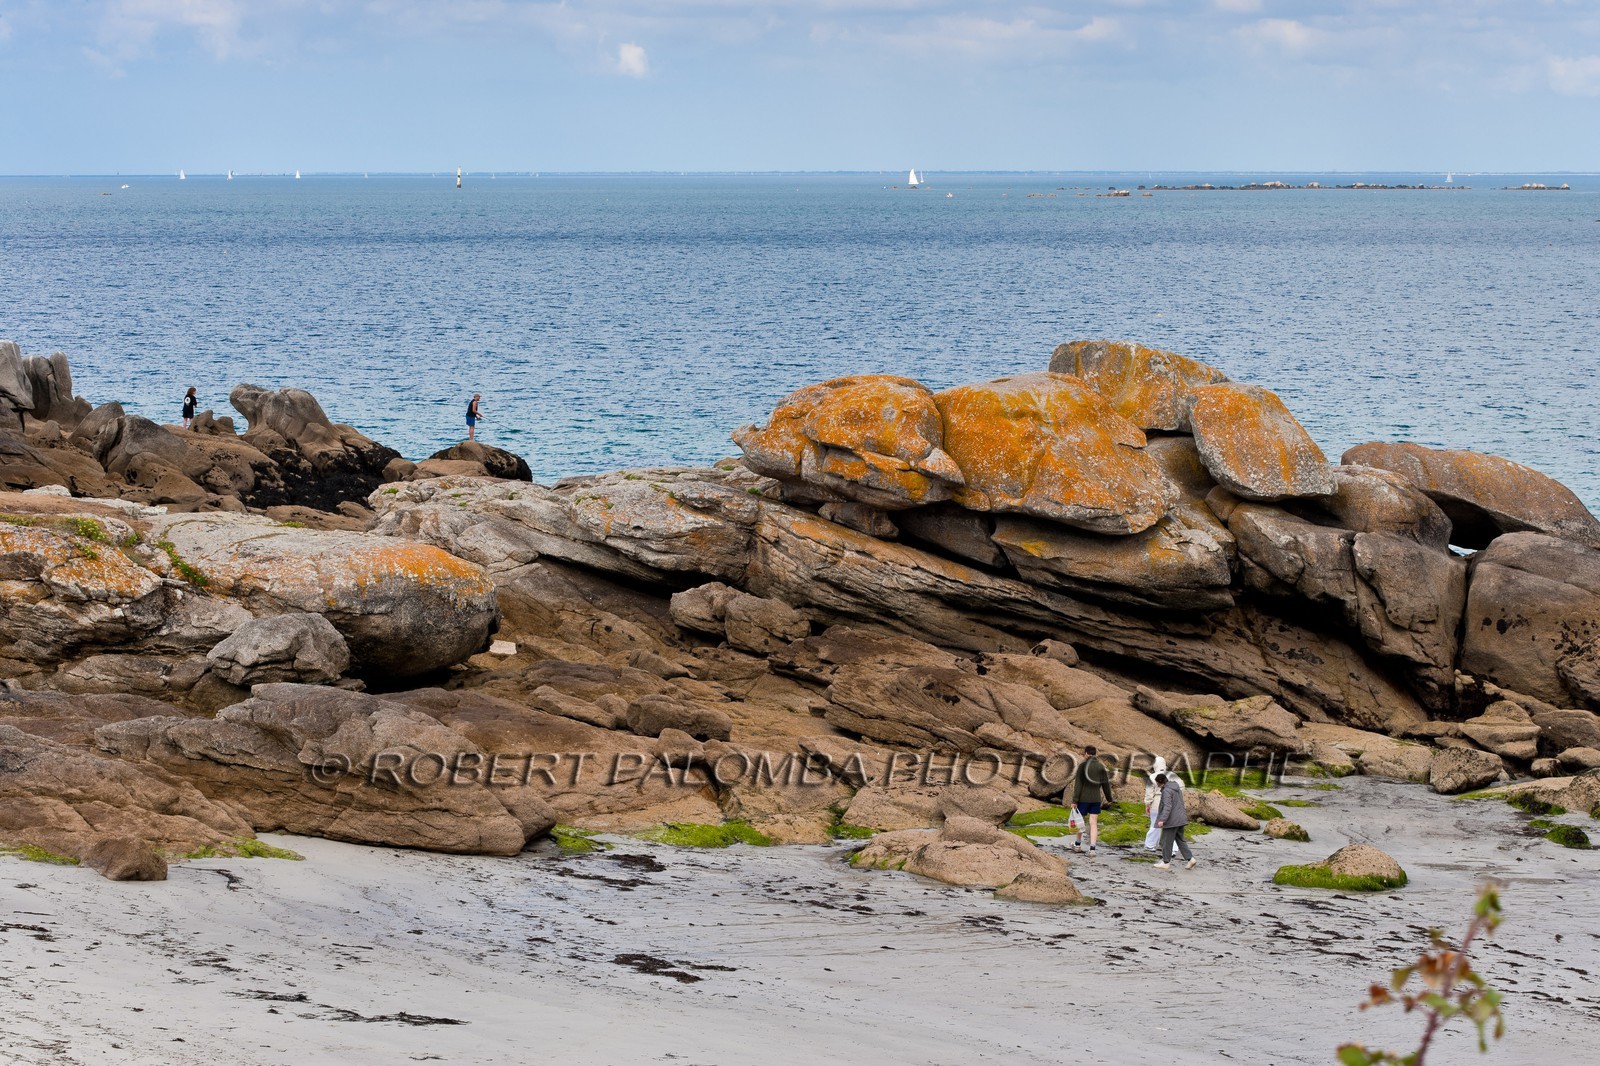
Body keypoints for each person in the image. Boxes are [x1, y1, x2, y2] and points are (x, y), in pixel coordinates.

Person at [1068, 745, 1116, 857]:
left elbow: (1078, 785)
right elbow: (1106, 784)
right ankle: (1092, 849)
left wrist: (1075, 800)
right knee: (1093, 823)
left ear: (1086, 754)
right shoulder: (1101, 767)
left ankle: (1078, 845)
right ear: (1095, 754)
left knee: (1080, 821)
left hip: (1083, 799)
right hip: (1096, 799)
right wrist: (1109, 798)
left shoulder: (1082, 766)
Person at [1152, 772, 1197, 871]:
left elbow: (1167, 806)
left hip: (1172, 821)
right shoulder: (1176, 788)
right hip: (1181, 819)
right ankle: (1191, 859)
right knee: (1180, 840)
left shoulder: (1167, 791)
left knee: (1166, 841)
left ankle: (1165, 862)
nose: (1157, 786)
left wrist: (1162, 820)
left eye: (1157, 784)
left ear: (1160, 782)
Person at [1143, 756, 1183, 850]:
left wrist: (1147, 804)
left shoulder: (1152, 776)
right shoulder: (1173, 775)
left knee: (1154, 825)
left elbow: (1149, 794)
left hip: (1156, 804)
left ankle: (1150, 845)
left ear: (1155, 765)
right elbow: (1181, 787)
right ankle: (1172, 849)